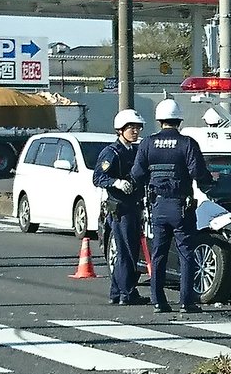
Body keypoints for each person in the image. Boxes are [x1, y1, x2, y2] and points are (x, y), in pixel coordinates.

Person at [130, 98, 219, 313]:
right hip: (181, 207)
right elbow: (198, 173)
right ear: (179, 119)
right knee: (186, 253)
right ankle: (186, 302)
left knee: (158, 253)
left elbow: (136, 174)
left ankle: (158, 301)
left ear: (159, 120)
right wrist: (212, 179)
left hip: (158, 207)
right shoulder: (187, 143)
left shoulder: (148, 143)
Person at [93, 109, 149, 305]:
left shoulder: (135, 150)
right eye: (131, 128)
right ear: (120, 130)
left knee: (130, 250)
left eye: (137, 128)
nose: (135, 131)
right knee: (125, 251)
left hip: (134, 206)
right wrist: (116, 182)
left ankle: (117, 292)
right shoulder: (111, 152)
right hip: (119, 209)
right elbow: (98, 177)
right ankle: (127, 293)